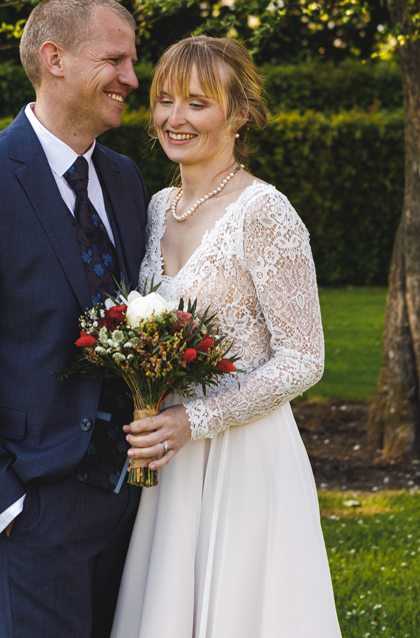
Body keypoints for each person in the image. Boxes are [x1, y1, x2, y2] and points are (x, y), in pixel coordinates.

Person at [0, 0, 148, 638]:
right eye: (116, 59)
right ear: (55, 59)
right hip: (38, 503)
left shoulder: (127, 179)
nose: (132, 78)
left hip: (137, 503)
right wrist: (3, 502)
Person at [113, 36, 342, 638]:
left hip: (242, 456)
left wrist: (201, 419)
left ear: (240, 114)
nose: (173, 118)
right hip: (171, 457)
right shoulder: (159, 205)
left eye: (197, 103)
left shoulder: (265, 212)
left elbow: (303, 358)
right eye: (164, 100)